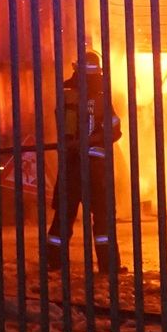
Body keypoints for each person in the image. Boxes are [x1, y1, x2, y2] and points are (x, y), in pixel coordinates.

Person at [47, 49, 121, 276]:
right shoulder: (101, 99)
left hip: (71, 166)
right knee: (102, 217)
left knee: (64, 216)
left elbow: (61, 127)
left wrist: (78, 142)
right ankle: (108, 265)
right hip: (96, 169)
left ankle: (55, 263)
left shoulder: (67, 95)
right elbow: (116, 131)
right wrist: (95, 139)